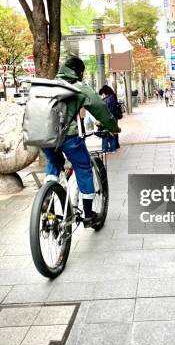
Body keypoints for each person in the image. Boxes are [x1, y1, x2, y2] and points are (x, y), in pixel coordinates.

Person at [42, 56, 119, 228]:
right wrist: (113, 127)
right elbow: (100, 108)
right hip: (67, 136)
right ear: (80, 72)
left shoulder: (49, 85)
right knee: (83, 168)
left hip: (43, 136)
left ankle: (47, 197)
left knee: (54, 161)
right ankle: (89, 216)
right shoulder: (78, 87)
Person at [98, 84, 120, 152]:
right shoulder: (113, 96)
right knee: (112, 133)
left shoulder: (107, 100)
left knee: (105, 133)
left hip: (107, 118)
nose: (102, 96)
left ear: (104, 93)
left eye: (102, 94)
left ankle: (105, 149)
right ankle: (114, 148)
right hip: (113, 118)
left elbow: (104, 110)